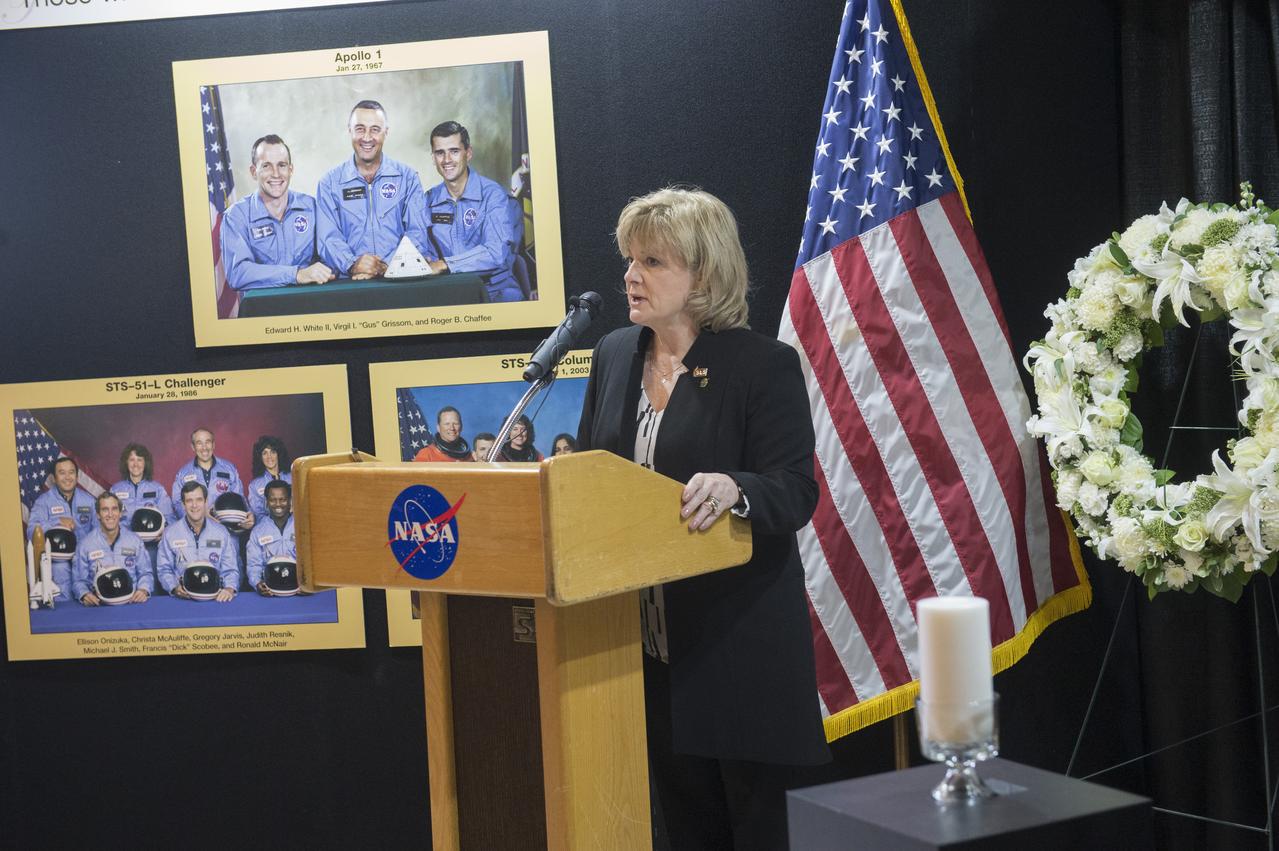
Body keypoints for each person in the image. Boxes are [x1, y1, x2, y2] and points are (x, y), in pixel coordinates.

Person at [576, 187, 828, 849]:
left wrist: (734, 487)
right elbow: (593, 479)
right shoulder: (612, 356)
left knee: (757, 833)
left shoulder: (761, 366)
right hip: (647, 652)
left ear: (703, 275)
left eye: (652, 261)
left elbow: (794, 491)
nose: (631, 275)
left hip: (736, 651)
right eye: (630, 259)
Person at [316, 100, 430, 280]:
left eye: (375, 129)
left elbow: (419, 233)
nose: (367, 137)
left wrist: (386, 266)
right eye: (360, 128)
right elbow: (327, 238)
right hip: (350, 283)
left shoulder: (407, 178)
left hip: (400, 279)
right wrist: (353, 264)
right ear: (349, 130)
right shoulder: (329, 184)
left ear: (386, 132)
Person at [421, 121, 523, 302]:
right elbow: (420, 248)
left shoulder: (493, 196)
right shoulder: (428, 200)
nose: (446, 160)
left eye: (454, 151)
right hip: (448, 292)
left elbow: (495, 252)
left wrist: (446, 265)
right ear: (433, 158)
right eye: (439, 153)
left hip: (493, 292)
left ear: (468, 153)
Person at [220, 134, 335, 290]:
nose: (276, 174)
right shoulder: (236, 216)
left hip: (310, 304)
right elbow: (238, 273)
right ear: (254, 171)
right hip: (264, 310)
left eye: (281, 165)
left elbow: (332, 254)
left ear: (291, 169)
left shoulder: (312, 208)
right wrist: (296, 274)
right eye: (266, 166)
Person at [157, 482, 239, 602]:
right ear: (183, 504)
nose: (194, 505)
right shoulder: (170, 533)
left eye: (199, 500)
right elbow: (164, 569)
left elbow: (231, 569)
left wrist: (229, 588)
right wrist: (174, 587)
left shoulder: (221, 532)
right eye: (189, 500)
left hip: (216, 599)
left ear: (206, 502)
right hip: (183, 600)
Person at [72, 492, 153, 605]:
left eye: (114, 509)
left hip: (131, 603)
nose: (110, 514)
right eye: (105, 510)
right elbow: (79, 581)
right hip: (100, 607)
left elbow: (146, 573)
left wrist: (143, 589)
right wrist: (85, 594)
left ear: (120, 513)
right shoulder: (85, 545)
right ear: (98, 515)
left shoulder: (135, 541)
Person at [170, 428, 252, 529]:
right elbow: (178, 503)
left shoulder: (229, 469)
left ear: (213, 445)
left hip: (227, 530)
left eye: (208, 442)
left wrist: (248, 515)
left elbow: (239, 498)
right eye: (199, 443)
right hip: (196, 531)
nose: (204, 448)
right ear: (193, 447)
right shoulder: (183, 473)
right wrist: (198, 519)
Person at [246, 479, 300, 595]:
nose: (278, 504)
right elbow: (253, 565)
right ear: (266, 502)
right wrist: (258, 583)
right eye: (273, 500)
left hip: (299, 590)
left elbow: (312, 562)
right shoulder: (258, 532)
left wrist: (307, 586)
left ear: (290, 501)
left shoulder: (302, 527)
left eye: (283, 499)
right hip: (270, 590)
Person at [109, 442, 173, 526]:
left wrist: (160, 533)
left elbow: (169, 519)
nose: (135, 464)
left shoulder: (158, 489)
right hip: (123, 537)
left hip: (150, 538)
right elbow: (108, 519)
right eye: (132, 460)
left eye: (139, 460)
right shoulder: (115, 490)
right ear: (126, 463)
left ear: (145, 463)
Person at [247, 435, 292, 519]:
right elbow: (258, 516)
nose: (269, 457)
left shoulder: (293, 477)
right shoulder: (255, 485)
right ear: (260, 457)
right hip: (268, 529)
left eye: (273, 452)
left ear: (279, 454)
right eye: (264, 453)